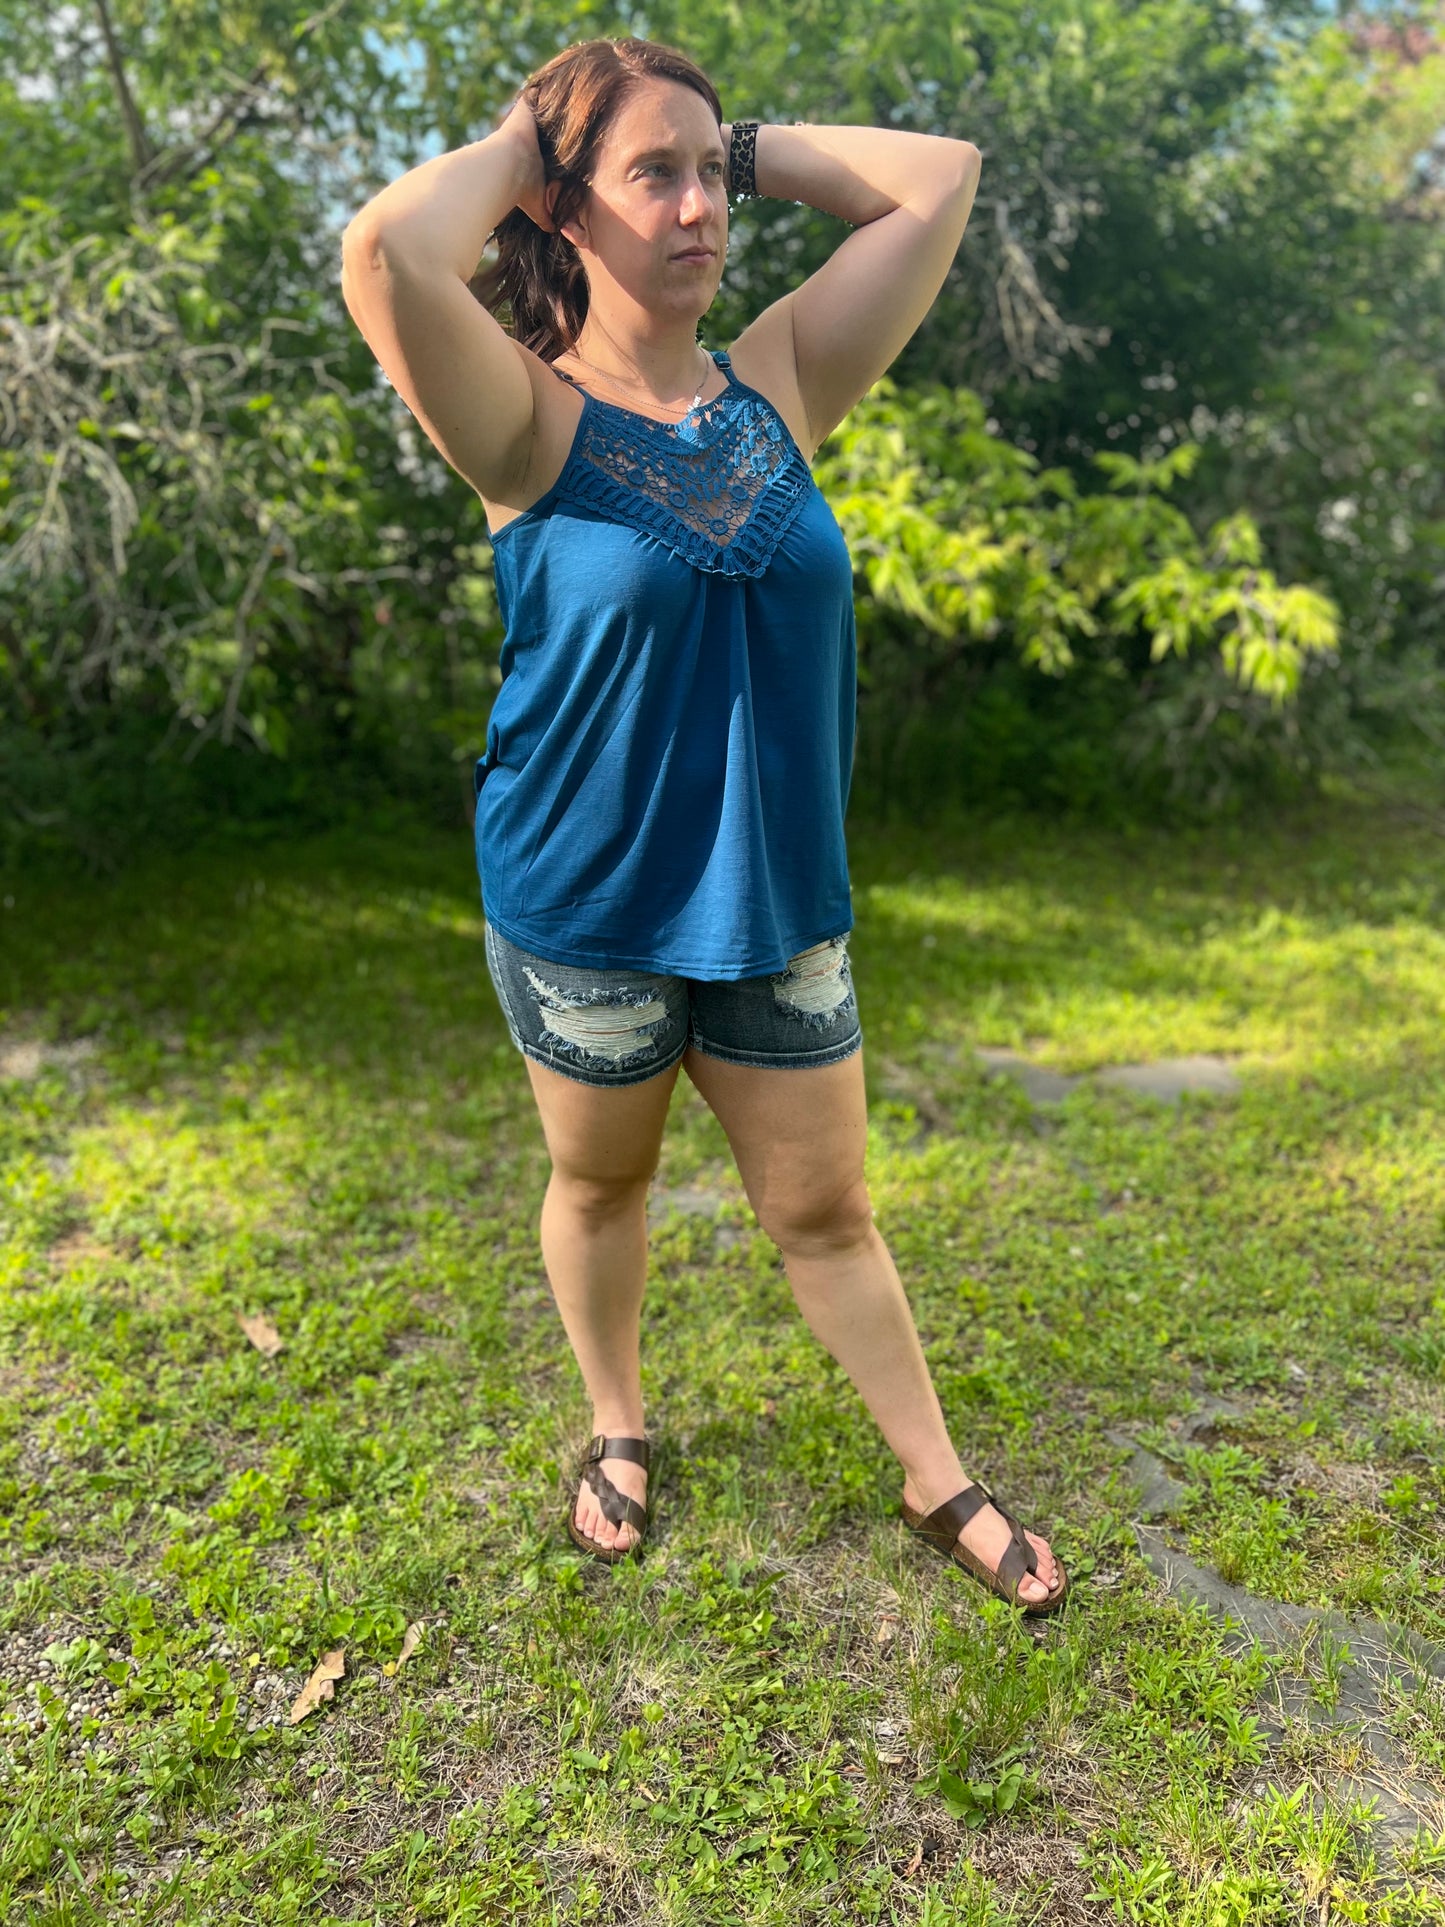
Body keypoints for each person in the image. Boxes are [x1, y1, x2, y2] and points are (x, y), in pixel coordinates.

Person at [340, 36, 1066, 1613]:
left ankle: (931, 1474)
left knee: (825, 1211)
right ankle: (616, 1424)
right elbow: (390, 252)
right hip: (583, 901)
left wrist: (729, 142)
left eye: (705, 179)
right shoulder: (521, 422)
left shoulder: (782, 385)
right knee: (600, 1186)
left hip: (774, 898)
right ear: (561, 212)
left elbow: (935, 180)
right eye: (648, 178)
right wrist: (532, 144)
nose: (696, 209)